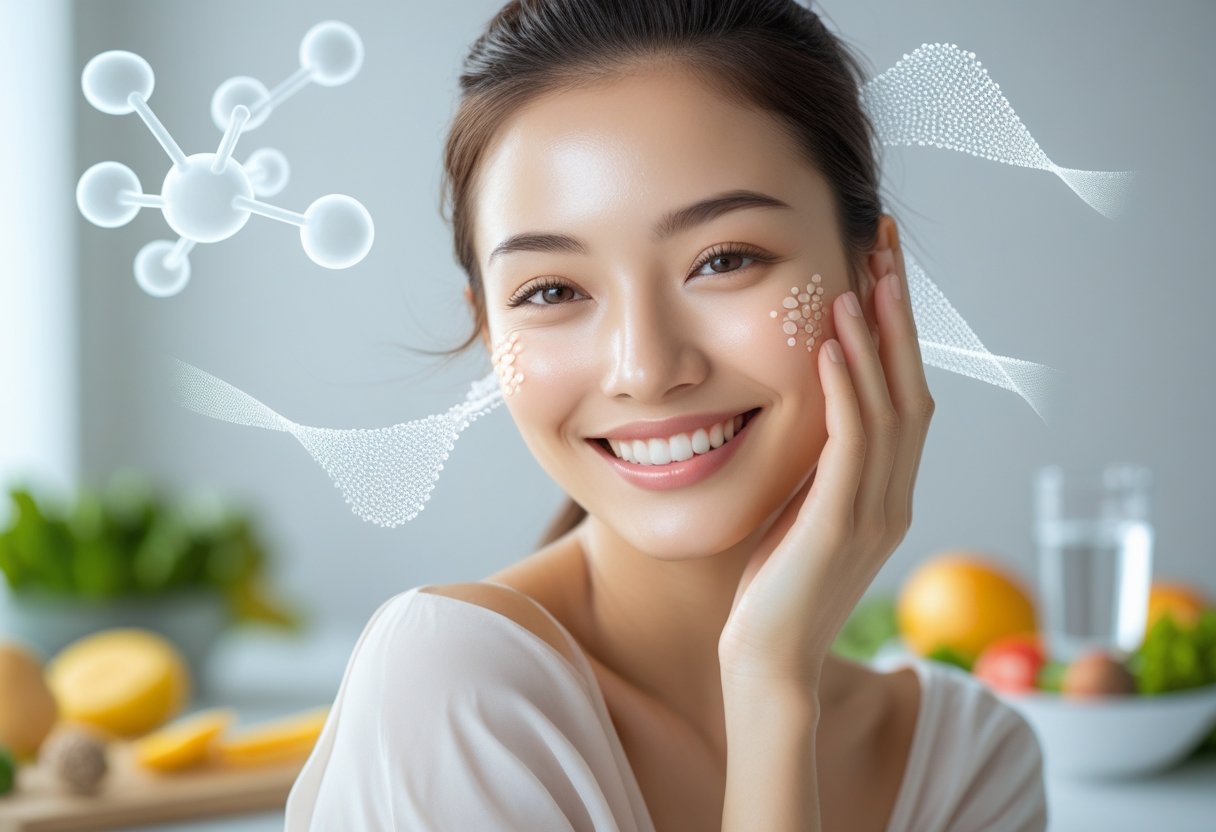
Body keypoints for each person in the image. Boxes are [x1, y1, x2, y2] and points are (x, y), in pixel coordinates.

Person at [284, 1, 1048, 829]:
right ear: (486, 323)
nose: (645, 369)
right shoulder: (447, 685)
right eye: (552, 291)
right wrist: (770, 692)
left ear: (873, 275)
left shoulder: (971, 760)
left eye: (723, 260)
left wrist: (773, 679)